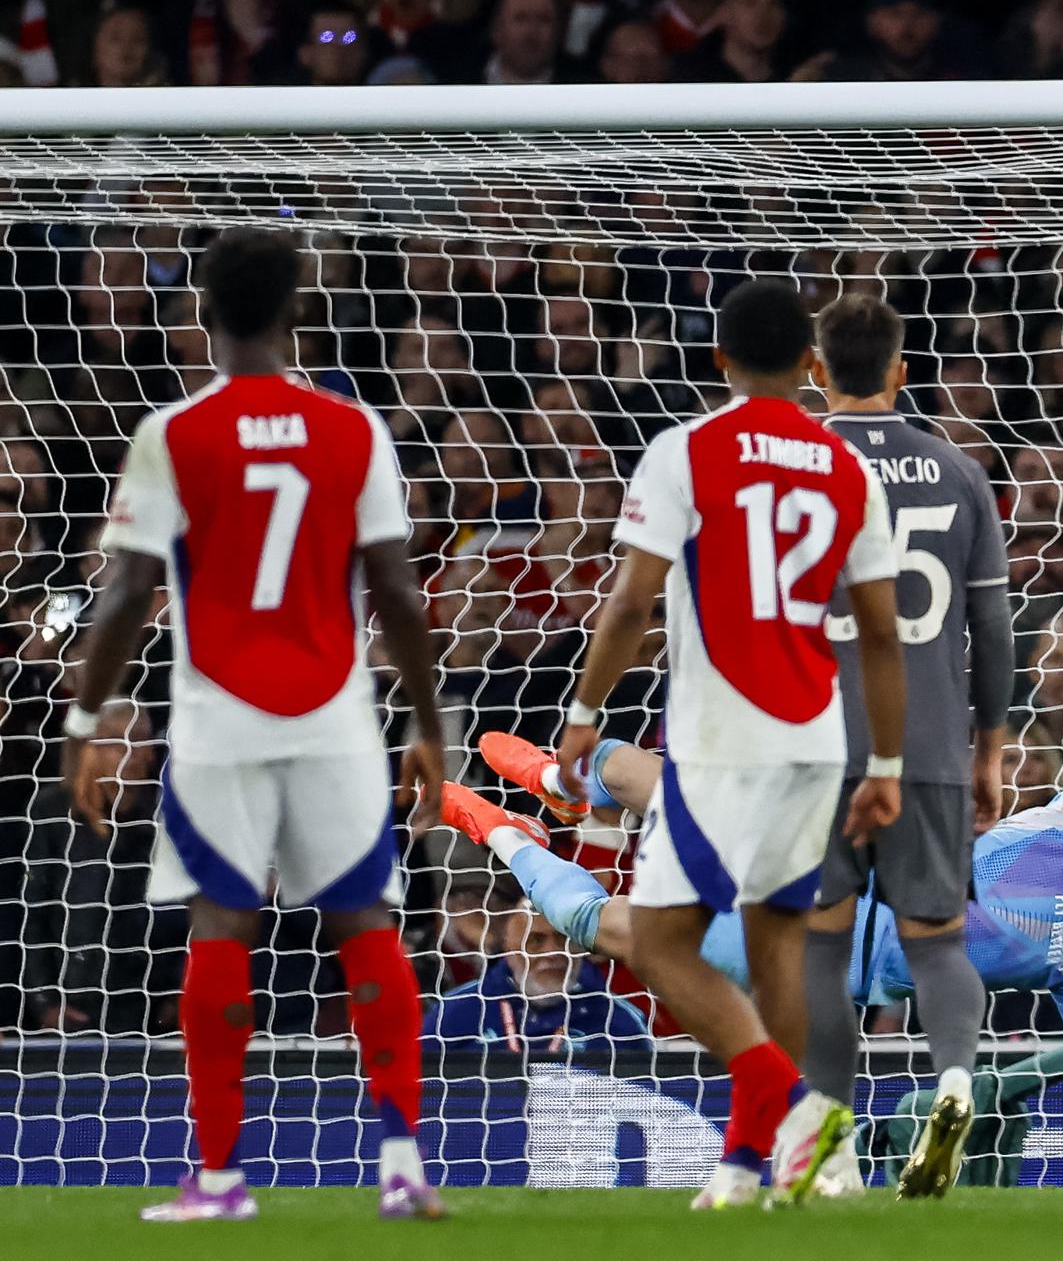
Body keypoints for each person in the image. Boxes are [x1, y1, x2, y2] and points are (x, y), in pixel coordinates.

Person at [437, 743, 1063, 1160]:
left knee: (609, 930)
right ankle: (567, 778)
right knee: (672, 785)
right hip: (828, 869)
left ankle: (494, 826)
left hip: (808, 954)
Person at [60, 228, 446, 1222]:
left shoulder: (171, 433)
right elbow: (400, 592)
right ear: (296, 313)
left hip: (217, 718)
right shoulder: (355, 430)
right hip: (335, 714)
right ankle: (402, 1161)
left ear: (202, 314)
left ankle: (223, 1175)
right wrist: (426, 718)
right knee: (365, 921)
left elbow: (124, 593)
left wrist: (85, 715)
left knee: (222, 926)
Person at [550, 280, 907, 1210]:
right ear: (812, 366)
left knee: (661, 945)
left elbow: (631, 600)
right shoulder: (844, 469)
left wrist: (588, 710)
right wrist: (888, 767)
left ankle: (801, 1116)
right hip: (816, 739)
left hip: (719, 740)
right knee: (777, 951)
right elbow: (879, 630)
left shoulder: (687, 450)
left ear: (719, 359)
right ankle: (748, 1168)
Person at [800, 294, 1013, 1199]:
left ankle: (830, 1144)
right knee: (935, 942)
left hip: (809, 741)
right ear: (901, 371)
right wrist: (991, 748)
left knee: (817, 947)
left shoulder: (796, 465)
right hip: (924, 738)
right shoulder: (959, 468)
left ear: (818, 372)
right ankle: (956, 1083)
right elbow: (993, 624)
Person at [419, 901, 650, 1049]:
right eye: (536, 941)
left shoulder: (617, 1018)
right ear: (510, 950)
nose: (552, 952)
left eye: (562, 939)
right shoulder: (455, 1011)